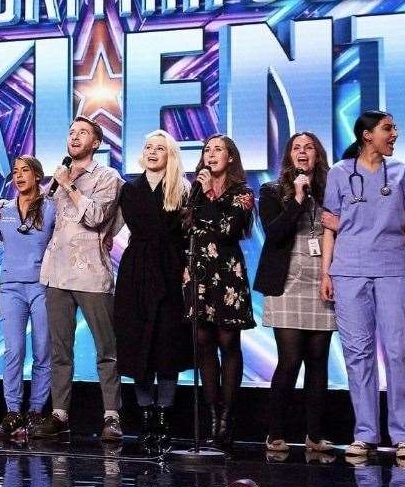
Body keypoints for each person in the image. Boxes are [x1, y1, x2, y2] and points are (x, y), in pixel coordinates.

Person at [320, 110, 405, 462]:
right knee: (358, 353)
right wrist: (326, 273)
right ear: (367, 135)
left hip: (394, 268)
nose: (394, 134)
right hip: (349, 270)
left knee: (400, 351)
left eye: (394, 128)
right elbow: (330, 228)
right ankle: (365, 433)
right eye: (387, 129)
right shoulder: (338, 172)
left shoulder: (403, 173)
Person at [31, 116, 124, 442]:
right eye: (71, 131)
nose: (74, 136)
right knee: (59, 349)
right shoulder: (57, 178)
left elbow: (98, 218)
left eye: (82, 132)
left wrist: (69, 186)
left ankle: (111, 416)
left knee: (106, 349)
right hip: (56, 272)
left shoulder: (107, 177)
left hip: (92, 273)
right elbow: (39, 218)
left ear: (96, 142)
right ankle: (60, 414)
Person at [255, 132, 335, 453]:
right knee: (290, 360)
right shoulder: (272, 191)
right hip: (286, 279)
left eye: (309, 148)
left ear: (318, 155)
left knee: (318, 360)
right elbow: (275, 234)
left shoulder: (332, 190)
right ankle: (275, 434)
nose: (302, 152)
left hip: (323, 276)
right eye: (296, 148)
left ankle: (314, 437)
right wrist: (298, 200)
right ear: (289, 156)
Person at [113, 130, 192, 452]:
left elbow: (183, 233)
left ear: (170, 154)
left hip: (171, 269)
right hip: (138, 270)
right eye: (148, 147)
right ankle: (145, 415)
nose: (152, 152)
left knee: (167, 346)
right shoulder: (130, 189)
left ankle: (164, 416)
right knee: (138, 344)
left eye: (160, 148)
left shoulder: (183, 190)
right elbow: (146, 225)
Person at [185, 134, 256, 447]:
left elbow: (228, 230)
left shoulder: (242, 193)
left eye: (218, 150)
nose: (210, 154)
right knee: (203, 341)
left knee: (228, 340)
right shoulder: (194, 191)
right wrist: (201, 195)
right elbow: (186, 227)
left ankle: (228, 415)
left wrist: (211, 198)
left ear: (230, 157)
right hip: (199, 272)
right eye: (207, 149)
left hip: (227, 273)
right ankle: (213, 415)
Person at [0, 156, 55, 438]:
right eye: (15, 172)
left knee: (42, 351)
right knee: (14, 351)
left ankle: (36, 411)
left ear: (37, 175)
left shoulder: (51, 208)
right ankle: (13, 411)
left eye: (25, 171)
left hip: (42, 286)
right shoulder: (4, 209)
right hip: (11, 287)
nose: (19, 176)